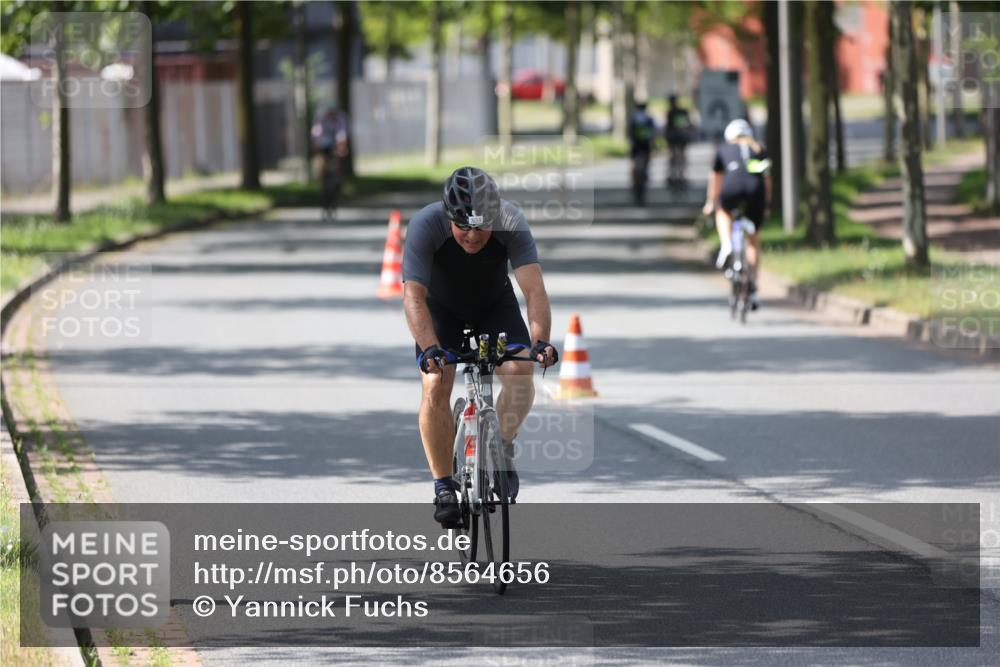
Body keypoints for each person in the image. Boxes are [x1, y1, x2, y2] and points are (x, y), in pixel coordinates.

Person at [402, 167, 559, 528]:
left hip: (493, 305)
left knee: (521, 371)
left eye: (481, 227)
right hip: (441, 309)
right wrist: (430, 349)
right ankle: (444, 486)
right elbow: (413, 296)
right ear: (448, 216)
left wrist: (539, 343)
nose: (473, 236)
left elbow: (534, 290)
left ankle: (501, 445)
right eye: (463, 227)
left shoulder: (510, 220)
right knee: (435, 382)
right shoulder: (426, 225)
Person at [702, 118, 771, 309]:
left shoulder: (722, 149)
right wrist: (766, 204)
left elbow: (716, 179)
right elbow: (767, 180)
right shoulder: (758, 149)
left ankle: (726, 245)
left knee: (722, 212)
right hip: (755, 192)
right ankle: (754, 289)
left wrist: (712, 203)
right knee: (753, 241)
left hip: (731, 190)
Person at [310, 106, 350, 219]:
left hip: (333, 151)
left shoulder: (339, 119)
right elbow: (316, 136)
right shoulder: (321, 120)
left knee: (335, 174)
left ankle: (336, 192)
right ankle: (324, 205)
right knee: (322, 178)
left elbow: (342, 136)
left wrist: (341, 148)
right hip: (323, 151)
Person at [627, 100, 657, 204]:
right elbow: (653, 134)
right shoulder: (649, 119)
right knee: (646, 165)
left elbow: (629, 134)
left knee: (634, 167)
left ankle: (634, 180)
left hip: (635, 147)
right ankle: (646, 174)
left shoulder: (633, 119)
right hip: (646, 147)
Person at [664, 94, 693, 186]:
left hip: (674, 137)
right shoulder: (683, 111)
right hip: (681, 136)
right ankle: (681, 175)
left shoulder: (670, 112)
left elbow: (668, 127)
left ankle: (673, 175)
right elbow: (687, 124)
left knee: (673, 156)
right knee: (681, 156)